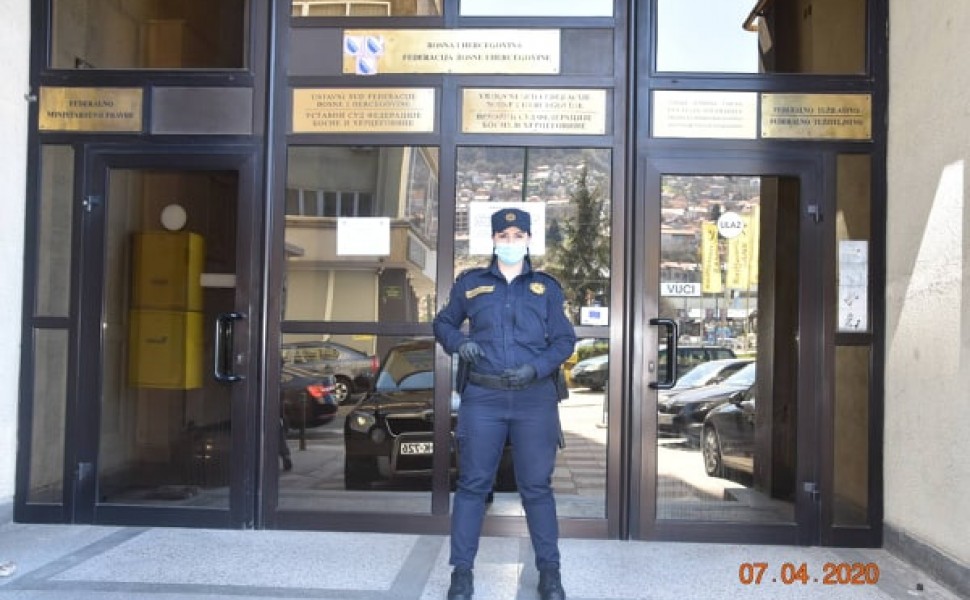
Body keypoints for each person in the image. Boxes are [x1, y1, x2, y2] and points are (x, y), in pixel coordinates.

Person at [433, 207, 575, 600]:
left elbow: (564, 340)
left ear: (528, 239)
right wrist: (459, 343)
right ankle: (462, 573)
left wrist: (537, 368)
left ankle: (550, 573)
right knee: (473, 485)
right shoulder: (471, 284)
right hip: (484, 399)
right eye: (503, 236)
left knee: (537, 488)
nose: (511, 242)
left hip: (534, 399)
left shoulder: (547, 288)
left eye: (518, 236)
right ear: (493, 240)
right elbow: (442, 323)